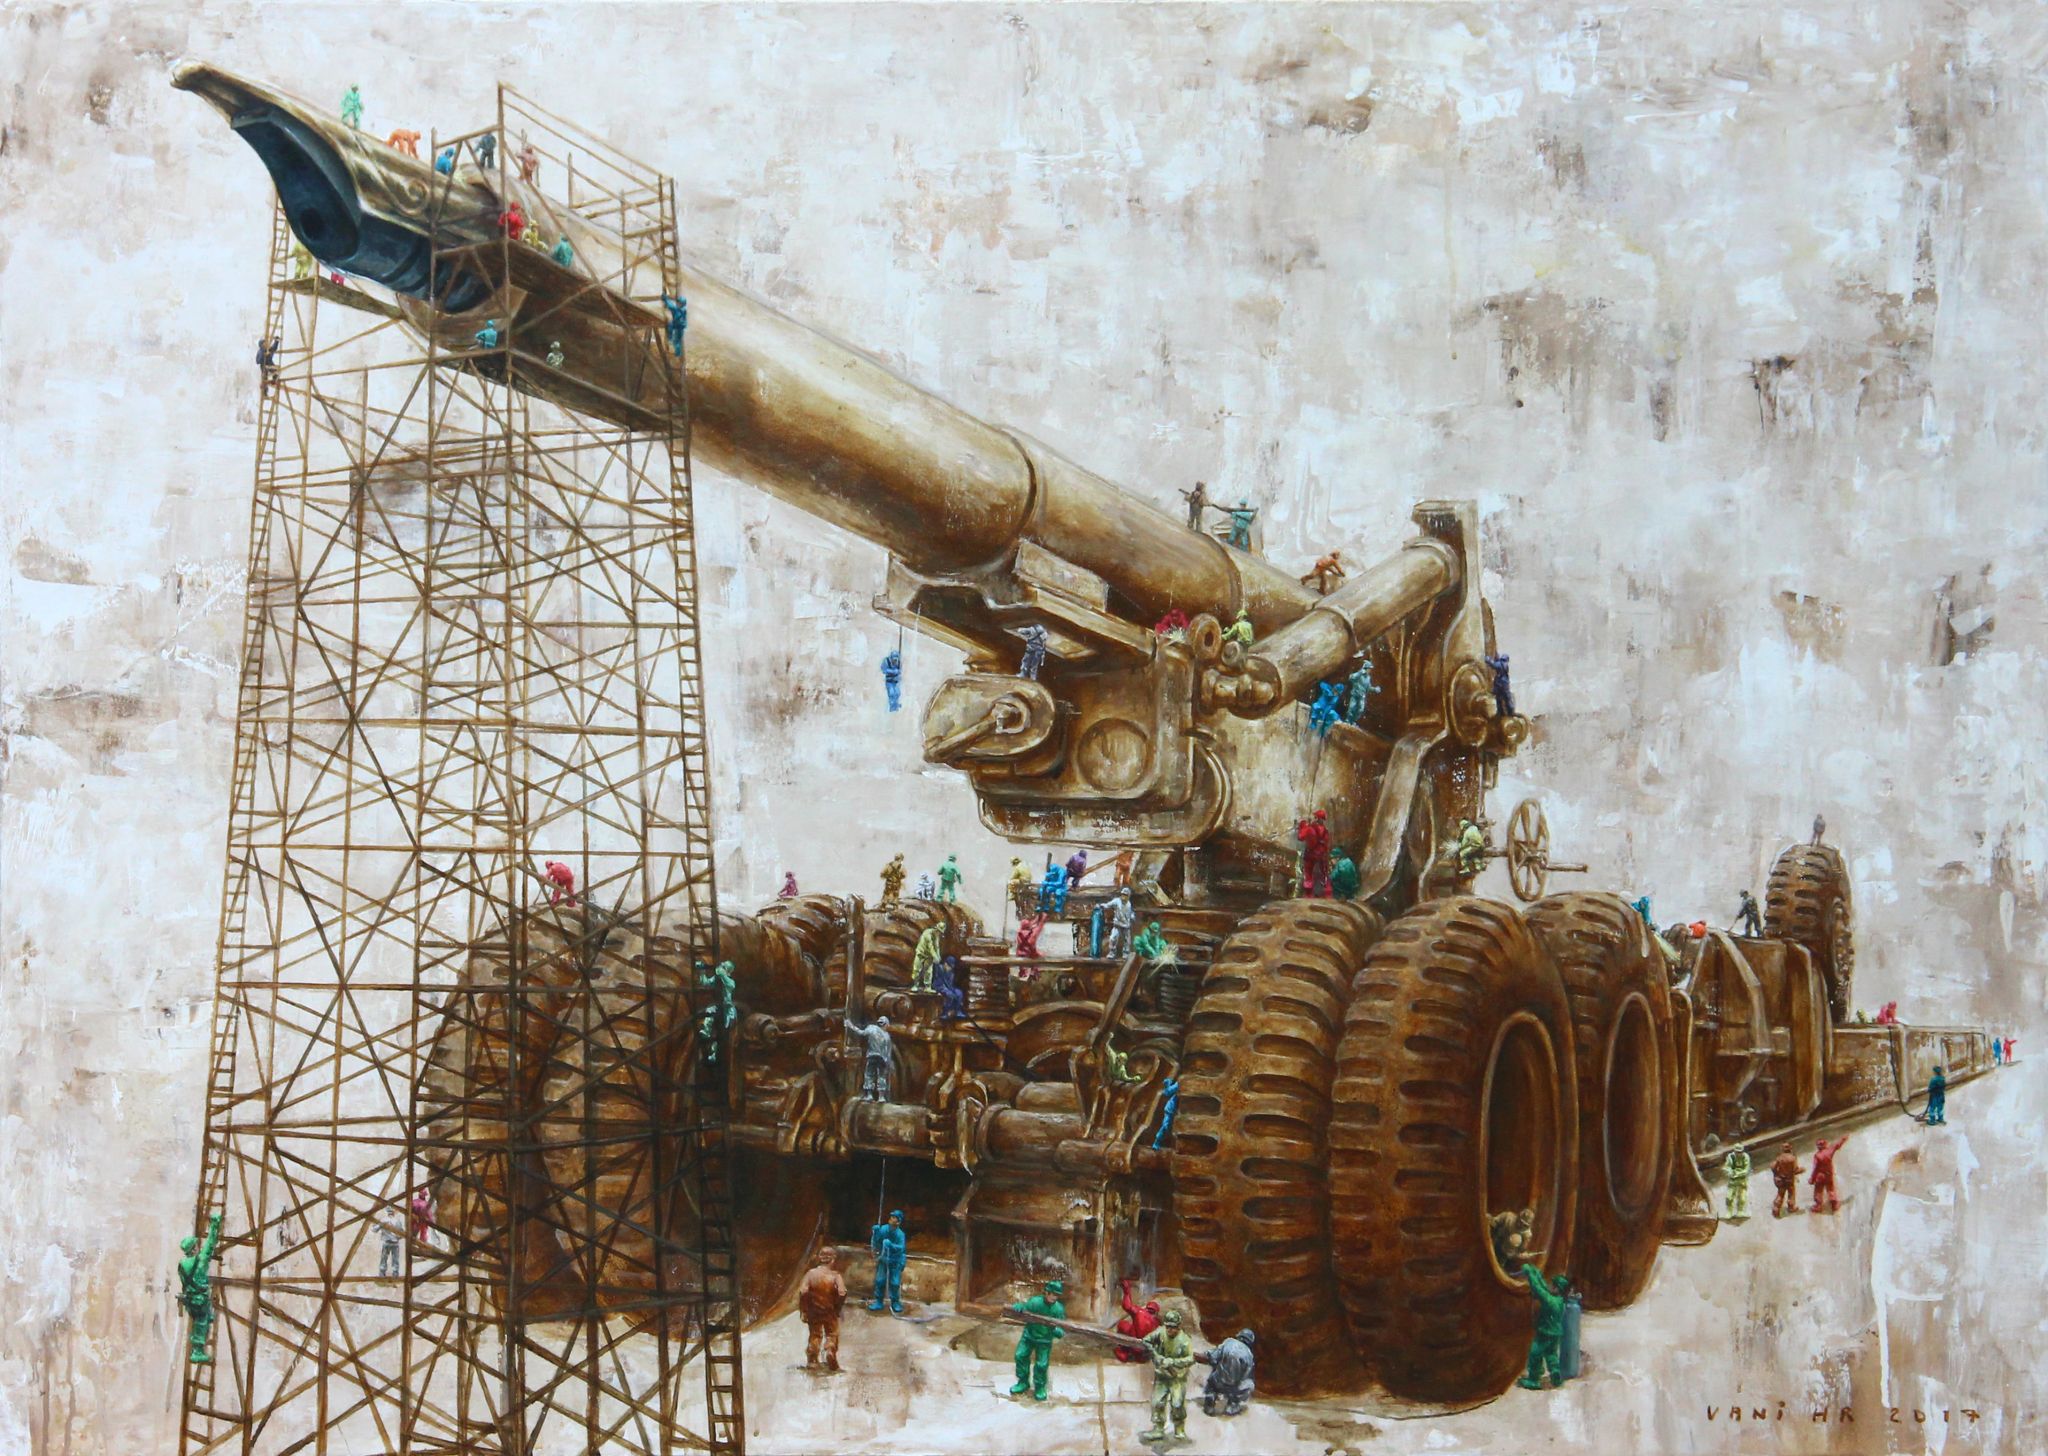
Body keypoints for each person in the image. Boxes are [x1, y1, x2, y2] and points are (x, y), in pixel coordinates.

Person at [1141, 1309, 1196, 1441]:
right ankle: (1158, 1429)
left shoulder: (1185, 1340)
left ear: (1178, 1327)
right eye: (1168, 1327)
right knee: (1157, 1402)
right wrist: (1156, 1355)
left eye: (1173, 1327)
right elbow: (1146, 1341)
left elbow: (1191, 1359)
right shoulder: (1160, 1332)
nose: (1170, 1330)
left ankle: (1179, 1429)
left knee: (1177, 1404)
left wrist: (1173, 1362)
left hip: (1177, 1378)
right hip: (1162, 1376)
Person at [178, 1213, 224, 1364]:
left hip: (190, 1300)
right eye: (196, 1246)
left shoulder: (182, 1264)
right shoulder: (200, 1261)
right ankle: (197, 1351)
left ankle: (197, 1347)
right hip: (200, 1300)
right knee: (201, 1323)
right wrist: (214, 1225)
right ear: (194, 1249)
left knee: (200, 1319)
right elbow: (210, 1244)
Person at [1516, 1266, 1571, 1390]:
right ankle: (1556, 1374)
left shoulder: (1549, 1300)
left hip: (1545, 1333)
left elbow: (1538, 1290)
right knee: (1551, 1355)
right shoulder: (1559, 1300)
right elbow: (1544, 1288)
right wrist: (1537, 1275)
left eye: (1553, 1285)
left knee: (1535, 1353)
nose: (1550, 1285)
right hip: (1556, 1333)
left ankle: (1534, 1379)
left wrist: (1530, 1274)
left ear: (1556, 1288)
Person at [1010, 1277, 1065, 1401]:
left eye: (1056, 1295)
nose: (1054, 1297)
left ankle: (1039, 1387)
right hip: (1028, 1336)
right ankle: (1023, 1382)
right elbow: (1024, 1308)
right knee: (1020, 1355)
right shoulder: (1035, 1302)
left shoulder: (1058, 1309)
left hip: (1044, 1341)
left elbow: (1061, 1330)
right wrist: (1019, 1307)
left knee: (1041, 1364)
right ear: (1046, 1292)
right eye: (1052, 1294)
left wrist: (1056, 1330)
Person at [799, 1248, 847, 1371]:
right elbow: (842, 1292)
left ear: (819, 1258)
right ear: (833, 1260)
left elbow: (803, 1291)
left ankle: (812, 1360)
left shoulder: (810, 1274)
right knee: (831, 1334)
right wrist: (837, 1307)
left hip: (814, 1311)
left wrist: (804, 1310)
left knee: (815, 1334)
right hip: (830, 1311)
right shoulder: (836, 1276)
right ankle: (830, 1350)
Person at [1198, 1327, 1256, 1417]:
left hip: (1218, 1382)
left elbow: (1214, 1356)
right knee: (1250, 1384)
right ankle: (1232, 1405)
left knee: (1214, 1374)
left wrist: (1204, 1356)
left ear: (1239, 1336)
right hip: (1233, 1387)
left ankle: (1210, 1400)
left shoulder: (1229, 1342)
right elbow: (1246, 1375)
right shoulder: (1249, 1355)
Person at [1111, 1275, 1161, 1363]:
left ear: (1147, 1308)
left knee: (1122, 1325)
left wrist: (1126, 1291)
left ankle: (1124, 1351)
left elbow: (1127, 1306)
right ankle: (1132, 1354)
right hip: (1144, 1353)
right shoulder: (1157, 1323)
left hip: (1134, 1347)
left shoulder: (1140, 1312)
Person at [867, 1210, 906, 1314]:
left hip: (895, 1261)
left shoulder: (900, 1234)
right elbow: (876, 1242)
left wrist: (891, 1245)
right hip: (883, 1259)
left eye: (894, 1217)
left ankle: (895, 1302)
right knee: (880, 1280)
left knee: (895, 1283)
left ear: (898, 1221)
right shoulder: (883, 1229)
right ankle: (879, 1301)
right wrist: (876, 1233)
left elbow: (901, 1248)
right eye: (891, 1216)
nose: (892, 1219)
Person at [851, 1017, 894, 1101]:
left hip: (872, 1056)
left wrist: (851, 1026)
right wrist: (888, 1061)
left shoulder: (871, 1029)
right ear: (886, 1024)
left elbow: (861, 1033)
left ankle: (869, 1095)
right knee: (881, 1075)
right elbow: (888, 1051)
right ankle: (881, 1096)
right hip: (881, 1058)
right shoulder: (887, 1036)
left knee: (869, 1074)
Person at [1296, 809, 1332, 898]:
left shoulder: (1309, 829)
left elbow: (1300, 837)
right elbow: (1327, 844)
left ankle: (1308, 894)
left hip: (1310, 855)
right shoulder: (1326, 831)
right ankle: (1326, 893)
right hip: (1322, 856)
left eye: (1315, 817)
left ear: (1316, 818)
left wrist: (1302, 826)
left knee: (1308, 874)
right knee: (1324, 874)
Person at [1809, 1135, 1848, 1213]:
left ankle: (1818, 1206)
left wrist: (1812, 1178)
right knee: (1830, 1189)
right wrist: (1843, 1139)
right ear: (1825, 1144)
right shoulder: (1830, 1151)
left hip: (1820, 1176)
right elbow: (1837, 1145)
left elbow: (1815, 1169)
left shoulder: (1817, 1156)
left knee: (1818, 1191)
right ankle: (1834, 1204)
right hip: (1828, 1174)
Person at [1770, 1143, 1803, 1216]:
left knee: (1780, 1194)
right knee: (1791, 1194)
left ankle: (1776, 1209)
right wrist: (1802, 1170)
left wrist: (1776, 1175)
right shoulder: (1792, 1158)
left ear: (1782, 1149)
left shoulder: (1779, 1158)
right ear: (1790, 1148)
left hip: (1781, 1180)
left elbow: (1774, 1167)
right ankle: (1791, 1207)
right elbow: (1795, 1170)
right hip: (1789, 1180)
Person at [911, 922, 943, 993]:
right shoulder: (927, 933)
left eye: (941, 932)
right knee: (916, 970)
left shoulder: (936, 936)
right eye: (939, 931)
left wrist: (938, 956)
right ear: (936, 929)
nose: (939, 933)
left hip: (929, 956)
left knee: (928, 971)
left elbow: (937, 946)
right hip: (920, 953)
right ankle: (915, 985)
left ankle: (928, 987)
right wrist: (935, 957)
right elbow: (930, 947)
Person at [1104, 888, 1136, 958]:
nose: (1123, 896)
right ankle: (1112, 953)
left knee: (1127, 940)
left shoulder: (1129, 904)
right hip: (1117, 924)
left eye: (1125, 895)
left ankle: (1126, 953)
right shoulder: (1116, 901)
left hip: (1126, 925)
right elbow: (1108, 905)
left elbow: (1131, 912)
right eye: (1123, 894)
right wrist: (1101, 905)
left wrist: (1132, 916)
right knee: (1113, 938)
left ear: (1128, 896)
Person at [1722, 1146, 1752, 1220]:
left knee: (1742, 1197)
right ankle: (1729, 1212)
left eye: (1740, 1152)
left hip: (1742, 1179)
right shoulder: (1731, 1157)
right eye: (1737, 1152)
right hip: (1733, 1180)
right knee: (1729, 1196)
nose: (1739, 1154)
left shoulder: (1745, 1157)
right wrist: (1730, 1172)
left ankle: (1740, 1211)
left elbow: (1746, 1169)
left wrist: (1738, 1174)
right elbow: (1726, 1167)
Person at [934, 957, 965, 1022]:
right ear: (945, 964)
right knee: (950, 995)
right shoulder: (938, 969)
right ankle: (945, 1013)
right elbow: (938, 982)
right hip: (939, 987)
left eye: (951, 967)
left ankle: (958, 1011)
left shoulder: (951, 973)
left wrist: (953, 990)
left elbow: (950, 984)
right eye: (949, 966)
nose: (950, 968)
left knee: (959, 993)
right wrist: (948, 990)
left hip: (948, 988)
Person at [1152, 1078, 1180, 1150]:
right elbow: (1167, 1092)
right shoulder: (1182, 1082)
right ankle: (1157, 1142)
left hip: (1182, 1112)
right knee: (1166, 1126)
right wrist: (1167, 1084)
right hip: (1172, 1109)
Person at [1485, 652, 1515, 717]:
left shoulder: (1500, 664)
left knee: (1499, 698)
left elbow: (1493, 665)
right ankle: (1510, 711)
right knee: (1507, 698)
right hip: (1505, 684)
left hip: (1500, 684)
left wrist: (1487, 659)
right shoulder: (1505, 664)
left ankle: (1501, 712)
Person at [661, 292, 688, 358]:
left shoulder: (676, 309)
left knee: (670, 326)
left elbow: (670, 305)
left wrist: (665, 299)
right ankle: (678, 353)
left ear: (681, 304)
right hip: (681, 326)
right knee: (678, 340)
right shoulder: (684, 309)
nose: (677, 303)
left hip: (677, 325)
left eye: (678, 303)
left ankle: (670, 338)